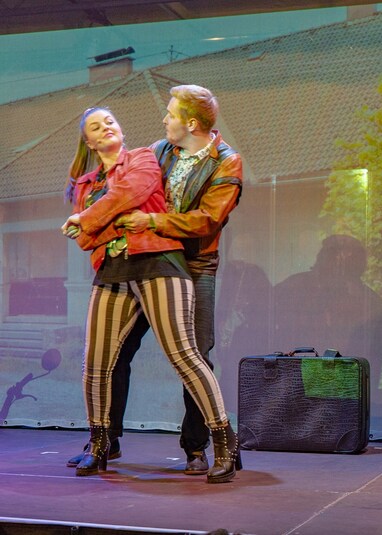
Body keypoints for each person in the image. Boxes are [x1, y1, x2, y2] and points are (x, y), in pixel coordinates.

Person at [65, 85, 243, 475]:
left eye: (171, 113)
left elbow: (205, 219)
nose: (164, 119)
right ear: (86, 140)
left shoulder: (223, 162)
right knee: (105, 358)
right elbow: (96, 226)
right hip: (122, 265)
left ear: (190, 123)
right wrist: (102, 225)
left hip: (188, 263)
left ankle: (205, 446)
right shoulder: (159, 150)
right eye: (95, 126)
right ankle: (103, 441)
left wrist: (146, 221)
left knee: (190, 355)